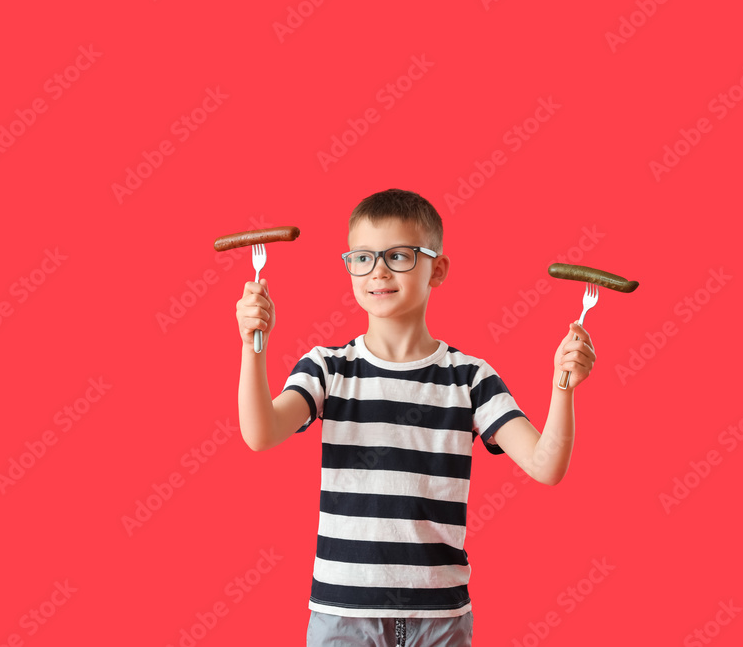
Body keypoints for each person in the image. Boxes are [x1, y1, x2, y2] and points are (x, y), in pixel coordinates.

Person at [234, 188, 595, 646]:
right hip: (344, 613)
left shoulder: (469, 379)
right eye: (361, 257)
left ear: (436, 269)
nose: (378, 270)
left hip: (440, 616)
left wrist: (563, 386)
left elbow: (546, 466)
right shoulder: (327, 368)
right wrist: (252, 344)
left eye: (399, 256)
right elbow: (260, 433)